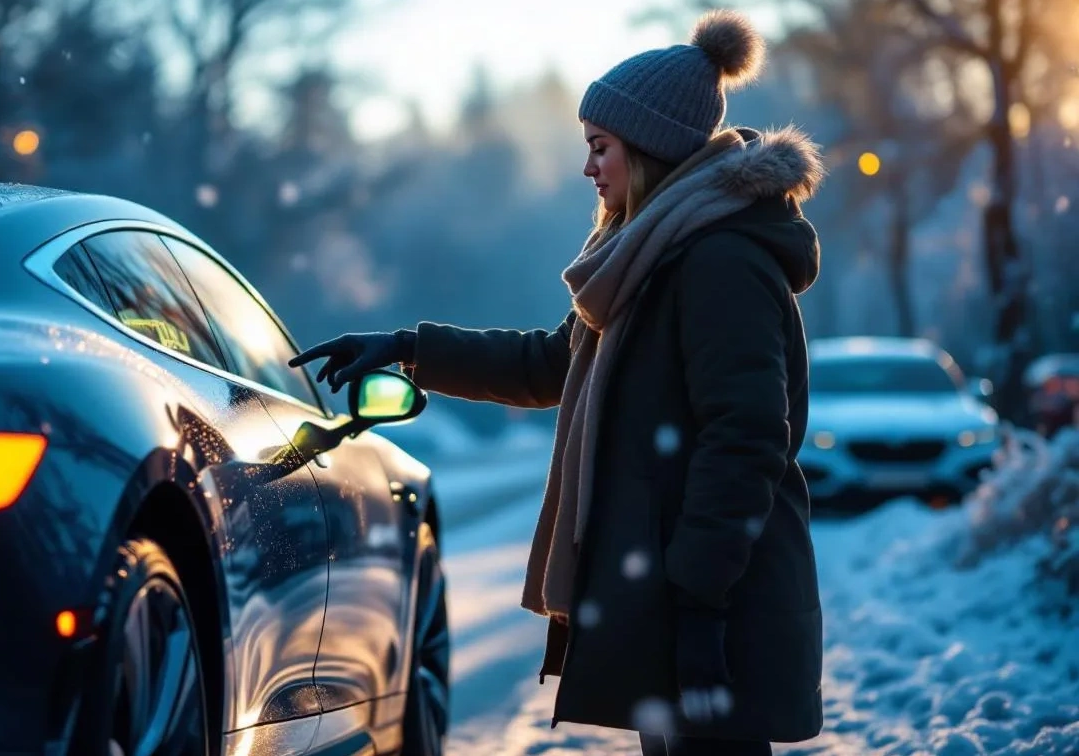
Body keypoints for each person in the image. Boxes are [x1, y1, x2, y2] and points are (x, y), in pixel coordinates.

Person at [291, 10, 825, 755]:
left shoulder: (717, 262)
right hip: (676, 592)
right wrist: (409, 348)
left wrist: (700, 599)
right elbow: (551, 363)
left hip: (710, 598)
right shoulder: (651, 254)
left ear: (649, 150)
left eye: (600, 148)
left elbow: (748, 437)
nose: (589, 168)